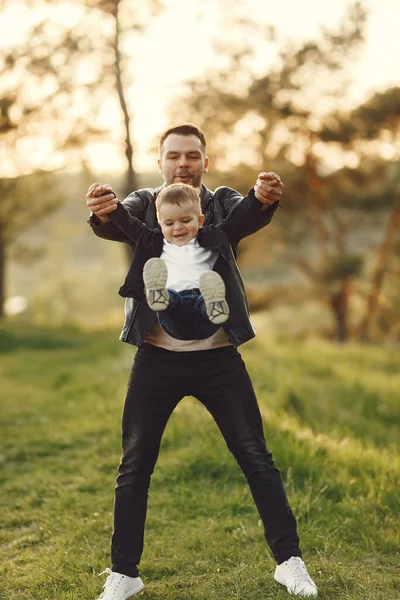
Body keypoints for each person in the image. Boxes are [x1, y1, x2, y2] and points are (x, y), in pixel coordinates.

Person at [86, 123, 318, 599]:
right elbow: (116, 222)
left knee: (256, 457)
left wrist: (264, 197)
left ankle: (290, 563)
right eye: (174, 155)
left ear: (205, 163)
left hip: (218, 359)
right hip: (157, 358)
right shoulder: (145, 202)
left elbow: (246, 217)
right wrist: (103, 211)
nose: (184, 163)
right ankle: (124, 574)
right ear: (161, 162)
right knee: (134, 466)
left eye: (193, 156)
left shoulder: (221, 201)